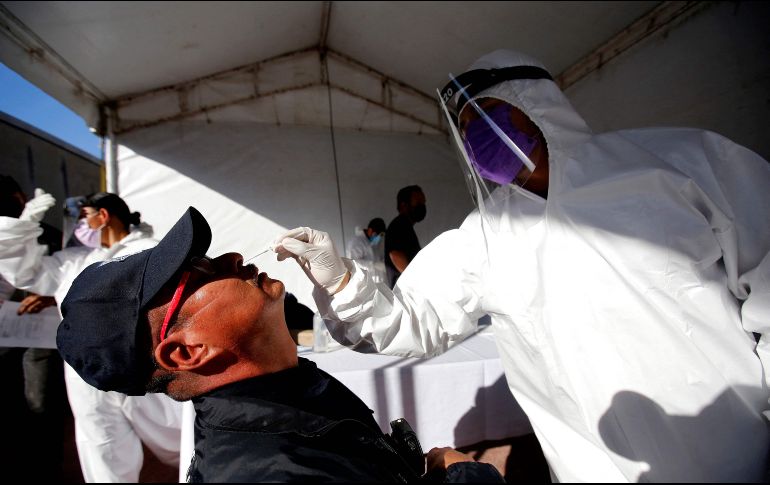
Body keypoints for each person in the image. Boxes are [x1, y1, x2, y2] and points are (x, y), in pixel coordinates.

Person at [273, 49, 770, 482]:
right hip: (592, 469)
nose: (476, 139)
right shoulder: (484, 237)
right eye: (465, 130)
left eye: (486, 117)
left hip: (734, 453)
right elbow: (408, 323)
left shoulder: (679, 164)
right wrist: (339, 280)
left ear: (535, 103)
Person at [56, 206, 504, 483]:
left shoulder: (285, 399)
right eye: (201, 271)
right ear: (187, 352)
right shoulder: (272, 471)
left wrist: (347, 285)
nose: (231, 258)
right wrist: (465, 476)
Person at [0, 191, 182, 482]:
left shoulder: (147, 250)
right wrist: (22, 226)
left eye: (83, 217)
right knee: (102, 447)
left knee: (176, 436)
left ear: (104, 216)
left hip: (138, 366)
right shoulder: (74, 260)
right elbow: (26, 274)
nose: (79, 225)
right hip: (85, 375)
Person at [384, 185, 427, 288]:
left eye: (423, 202)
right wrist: (415, 281)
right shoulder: (399, 224)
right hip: (406, 291)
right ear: (404, 205)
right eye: (418, 202)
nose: (422, 205)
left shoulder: (405, 225)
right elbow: (395, 254)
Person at [345, 217, 387, 285]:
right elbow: (353, 262)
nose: (378, 238)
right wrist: (373, 265)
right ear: (370, 230)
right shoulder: (357, 242)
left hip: (378, 282)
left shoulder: (373, 243)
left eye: (380, 236)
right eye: (377, 235)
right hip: (365, 283)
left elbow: (377, 257)